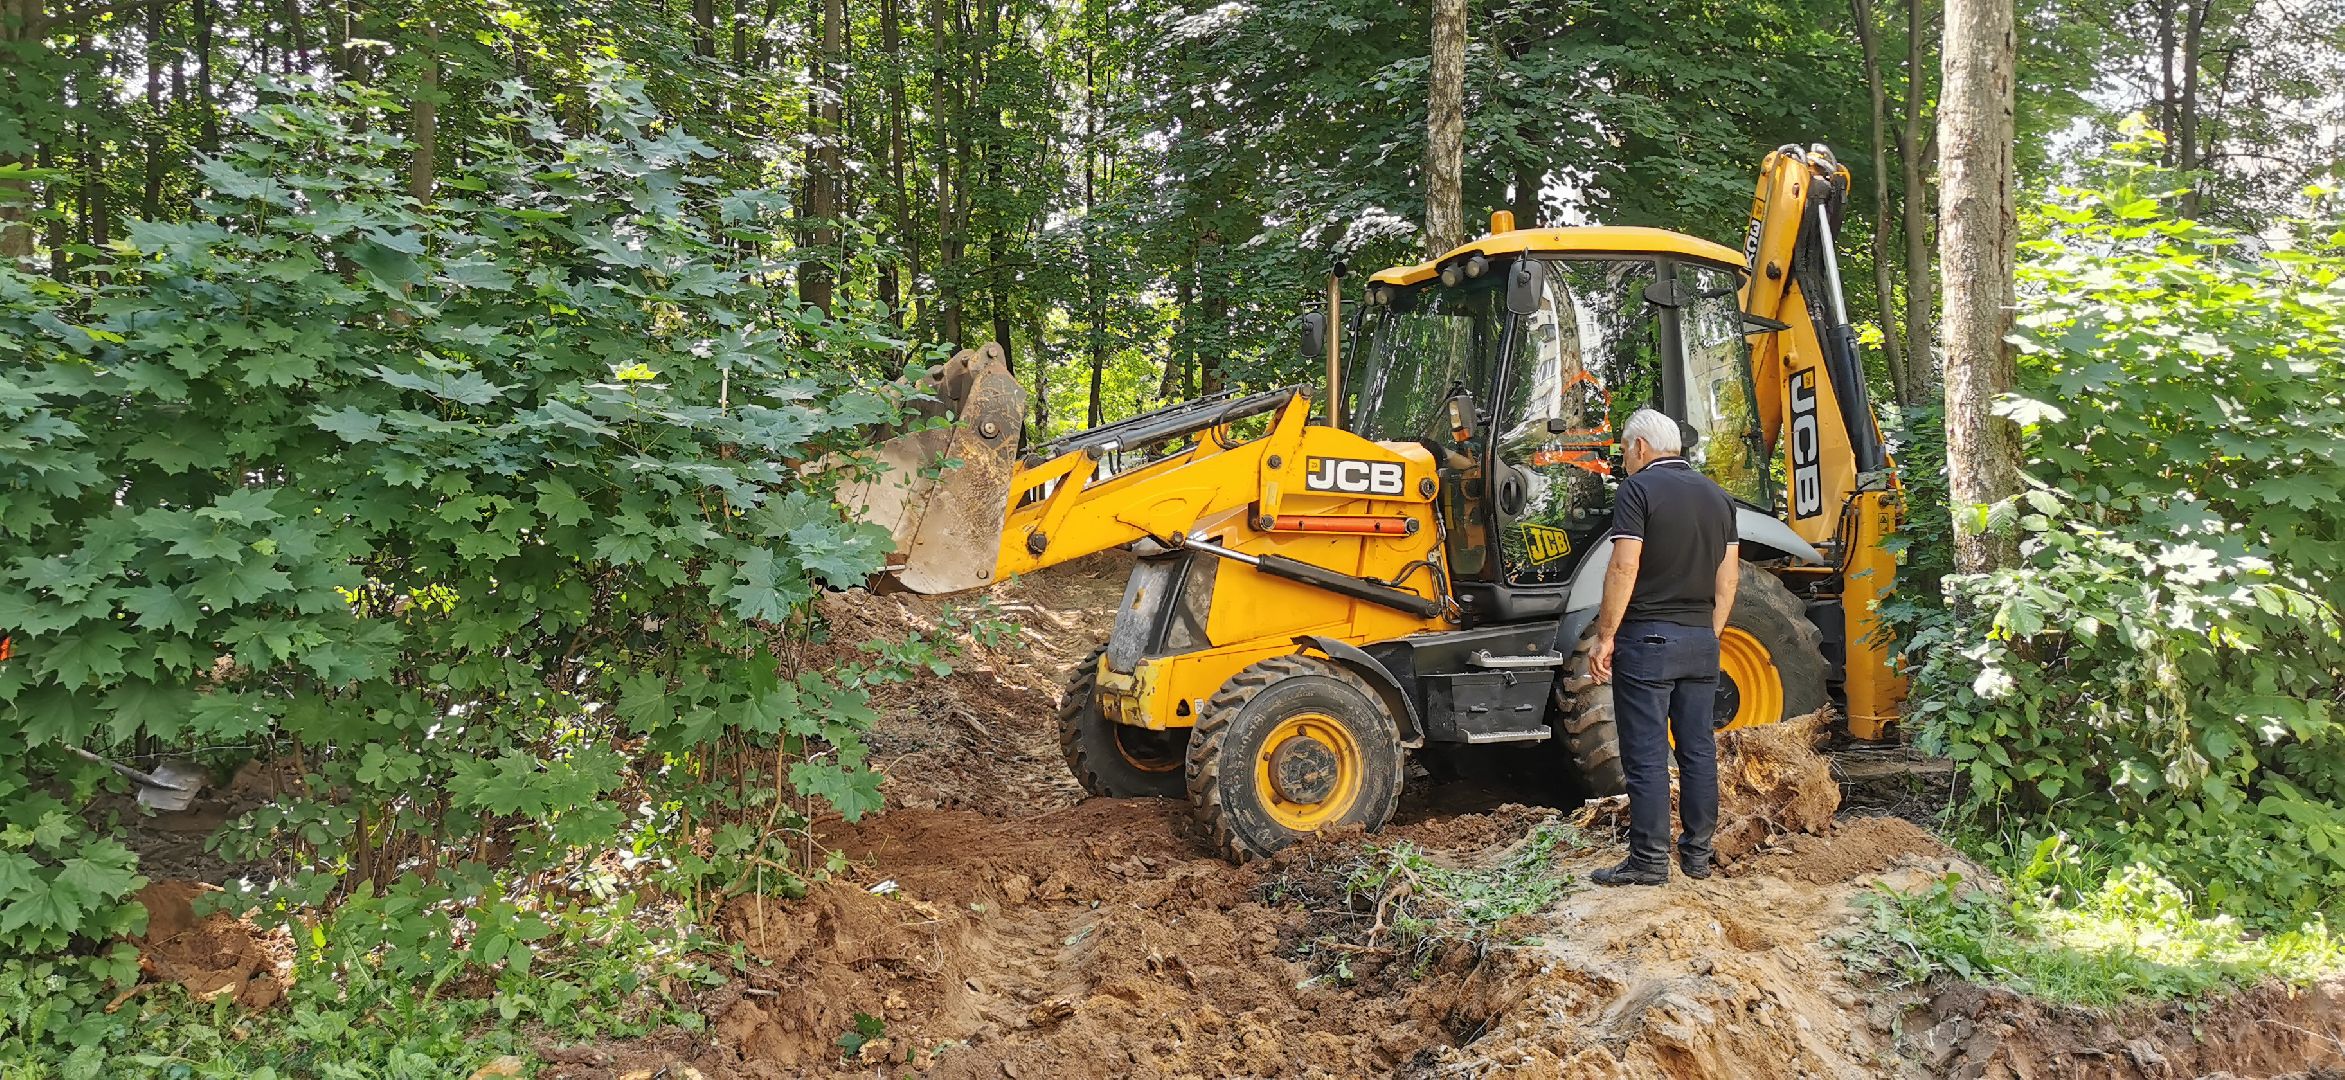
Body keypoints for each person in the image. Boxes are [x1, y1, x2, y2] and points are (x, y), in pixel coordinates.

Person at [1586, 409, 1739, 886]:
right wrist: (1707, 635)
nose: (1626, 460)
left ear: (1640, 448)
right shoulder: (1718, 497)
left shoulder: (1638, 490)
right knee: (1697, 748)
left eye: (1626, 451)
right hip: (1700, 641)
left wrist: (1605, 635)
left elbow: (1623, 567)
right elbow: (1728, 578)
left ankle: (1650, 860)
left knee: (1647, 752)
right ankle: (1697, 856)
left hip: (1648, 639)